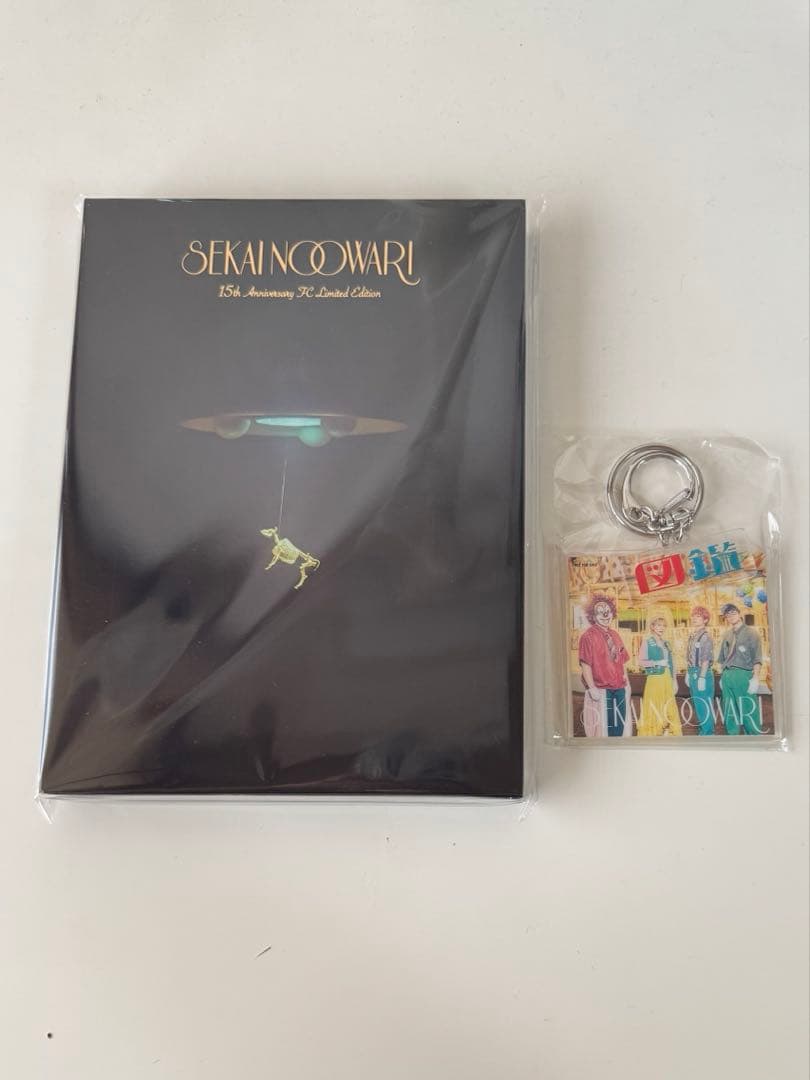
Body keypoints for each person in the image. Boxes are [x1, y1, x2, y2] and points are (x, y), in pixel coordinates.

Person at [578, 594, 632, 737]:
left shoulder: (616, 635)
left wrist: (627, 684)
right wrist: (592, 687)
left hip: (619, 688)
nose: (605, 615)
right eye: (600, 612)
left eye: (608, 611)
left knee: (619, 726)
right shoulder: (588, 636)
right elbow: (585, 664)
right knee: (603, 730)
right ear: (593, 615)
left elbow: (622, 661)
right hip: (602, 689)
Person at [718, 603, 763, 735]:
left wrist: (755, 678)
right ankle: (733, 737)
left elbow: (757, 658)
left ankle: (754, 737)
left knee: (747, 708)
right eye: (727, 615)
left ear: (739, 613)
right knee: (729, 710)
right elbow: (722, 658)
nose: (730, 616)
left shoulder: (751, 633)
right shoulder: (727, 634)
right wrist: (722, 675)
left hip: (743, 674)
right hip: (727, 674)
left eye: (733, 613)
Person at [637, 612, 682, 736]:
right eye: (658, 625)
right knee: (654, 705)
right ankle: (653, 733)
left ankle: (667, 732)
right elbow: (641, 662)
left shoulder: (667, 643)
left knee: (668, 705)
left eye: (663, 625)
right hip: (654, 679)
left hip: (667, 678)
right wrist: (656, 662)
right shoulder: (647, 642)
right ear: (652, 627)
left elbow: (672, 663)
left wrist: (675, 680)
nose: (661, 628)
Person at [685, 605, 716, 735]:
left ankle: (708, 734)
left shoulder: (706, 637)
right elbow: (690, 656)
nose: (694, 618)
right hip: (693, 672)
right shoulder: (693, 635)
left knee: (704, 705)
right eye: (693, 616)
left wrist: (702, 677)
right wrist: (688, 672)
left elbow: (706, 659)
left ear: (705, 620)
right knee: (698, 705)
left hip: (702, 673)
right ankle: (703, 731)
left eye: (698, 616)